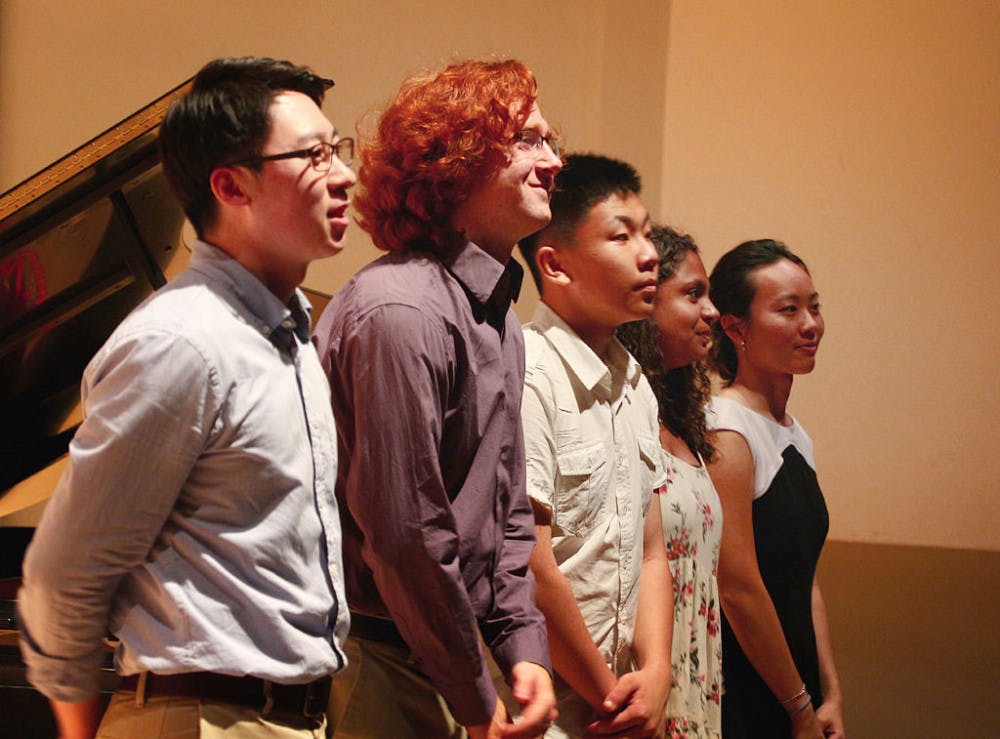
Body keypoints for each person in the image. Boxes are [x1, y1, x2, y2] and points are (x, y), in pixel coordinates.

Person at [16, 56, 356, 739]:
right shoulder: (184, 342)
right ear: (230, 185)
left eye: (337, 147)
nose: (344, 173)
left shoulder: (285, 335)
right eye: (314, 155)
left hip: (282, 715)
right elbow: (63, 575)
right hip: (201, 717)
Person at [314, 59, 560, 739]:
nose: (552, 161)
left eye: (550, 141)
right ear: (458, 160)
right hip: (377, 658)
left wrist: (521, 645)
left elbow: (506, 503)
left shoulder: (497, 314)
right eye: (529, 141)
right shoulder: (402, 309)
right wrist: (478, 697)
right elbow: (405, 534)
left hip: (439, 654)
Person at [516, 153, 673, 737]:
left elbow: (653, 549)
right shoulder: (528, 371)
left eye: (647, 232)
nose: (648, 253)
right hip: (549, 706)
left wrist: (655, 674)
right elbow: (533, 565)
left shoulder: (634, 381)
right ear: (556, 265)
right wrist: (618, 705)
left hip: (626, 701)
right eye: (621, 235)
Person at [705, 240, 846, 739]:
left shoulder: (792, 431)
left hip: (797, 691)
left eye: (814, 306)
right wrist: (799, 710)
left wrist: (830, 696)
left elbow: (803, 579)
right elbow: (738, 589)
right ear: (735, 327)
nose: (810, 324)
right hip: (749, 694)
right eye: (788, 310)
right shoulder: (726, 428)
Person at [617, 225, 723, 738]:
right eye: (693, 294)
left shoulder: (683, 421)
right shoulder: (617, 409)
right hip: (642, 676)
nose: (712, 312)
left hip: (694, 670)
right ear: (647, 301)